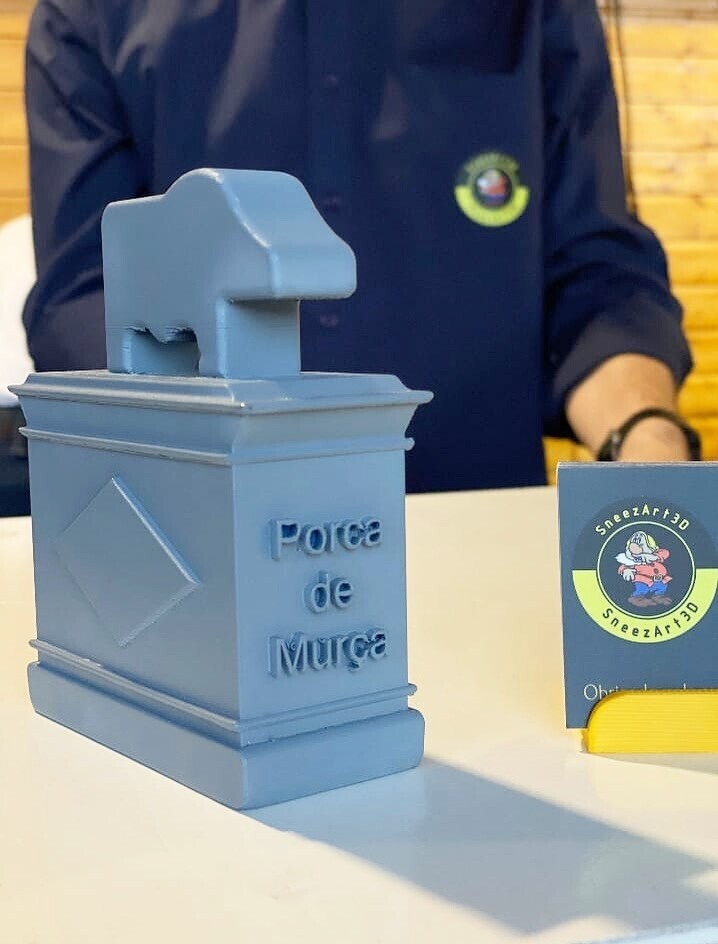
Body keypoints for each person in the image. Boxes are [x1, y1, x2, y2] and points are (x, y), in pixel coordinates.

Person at [22, 0, 696, 495]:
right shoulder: (94, 13)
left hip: (479, 531)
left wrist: (643, 440)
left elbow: (595, 276)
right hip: (211, 546)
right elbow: (84, 298)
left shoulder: (536, 12)